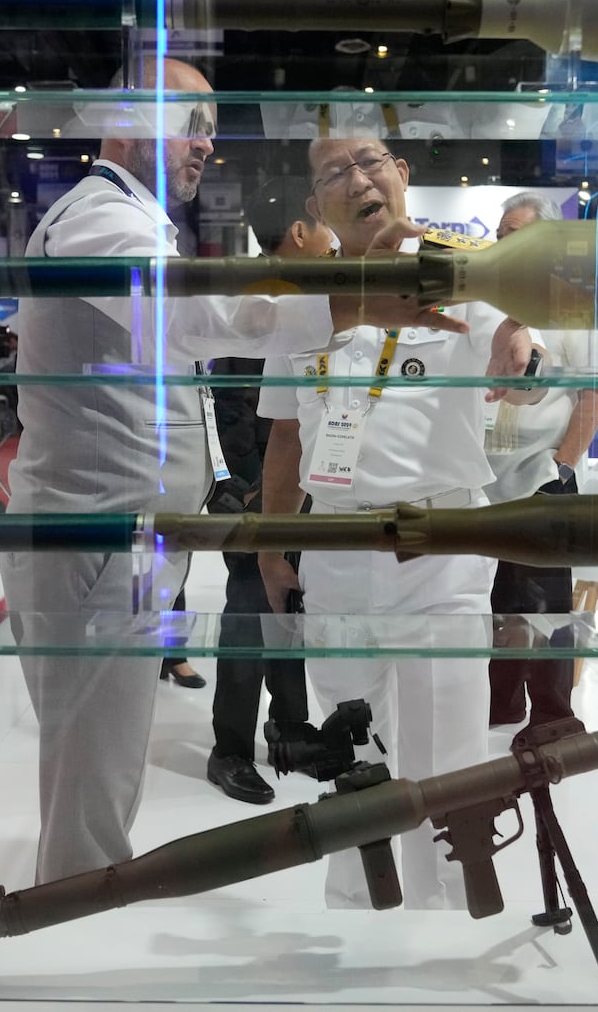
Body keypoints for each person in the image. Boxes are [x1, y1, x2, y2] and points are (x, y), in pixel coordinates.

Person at [1, 61, 466, 885]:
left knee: (103, 756)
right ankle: (68, 922)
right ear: (123, 119)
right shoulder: (103, 222)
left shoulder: (128, 220)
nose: (207, 144)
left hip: (132, 541)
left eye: (211, 124)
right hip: (97, 539)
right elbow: (193, 317)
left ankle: (80, 899)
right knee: (90, 769)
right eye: (191, 120)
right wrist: (355, 297)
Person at [256, 136, 538, 909]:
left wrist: (520, 346)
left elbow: (516, 367)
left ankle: (448, 901)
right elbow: (283, 434)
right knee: (350, 732)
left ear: (403, 176)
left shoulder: (463, 279)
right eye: (333, 173)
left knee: (446, 731)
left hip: (440, 544)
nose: (357, 179)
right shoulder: (301, 305)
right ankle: (358, 899)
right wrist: (271, 548)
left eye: (370, 161)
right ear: (317, 207)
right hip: (335, 542)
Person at [204, 176, 336, 805]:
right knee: (248, 614)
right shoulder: (257, 300)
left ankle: (289, 727)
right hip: (256, 488)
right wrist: (250, 490)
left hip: (303, 485)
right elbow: (231, 403)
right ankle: (229, 747)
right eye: (326, 228)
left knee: (290, 608)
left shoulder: (312, 297)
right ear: (301, 232)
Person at [482, 193, 598, 729]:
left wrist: (561, 465)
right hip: (479, 479)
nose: (504, 245)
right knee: (494, 601)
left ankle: (554, 716)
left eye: (518, 236)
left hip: (541, 476)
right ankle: (501, 705)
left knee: (547, 602)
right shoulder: (482, 301)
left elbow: (595, 395)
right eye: (500, 235)